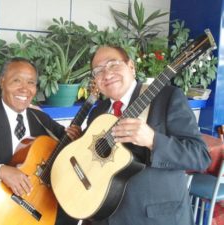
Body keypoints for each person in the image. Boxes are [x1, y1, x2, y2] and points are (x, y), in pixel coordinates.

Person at [83, 46, 211, 225]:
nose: (106, 73)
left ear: (131, 66)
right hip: (106, 217)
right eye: (98, 70)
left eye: (113, 64)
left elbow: (200, 157)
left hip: (155, 218)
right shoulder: (97, 113)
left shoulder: (167, 98)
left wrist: (153, 140)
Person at [0, 57, 81, 225]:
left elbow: (65, 148)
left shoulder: (40, 118)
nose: (25, 89)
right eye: (16, 80)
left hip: (35, 208)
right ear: (2, 81)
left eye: (31, 83)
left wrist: (75, 140)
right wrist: (2, 171)